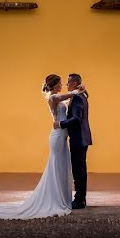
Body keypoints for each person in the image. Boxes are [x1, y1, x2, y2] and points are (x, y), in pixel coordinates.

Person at [0, 73, 87, 219]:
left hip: (62, 136)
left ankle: (61, 197)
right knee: (56, 165)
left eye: (65, 83)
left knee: (61, 165)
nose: (63, 85)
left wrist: (80, 93)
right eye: (61, 83)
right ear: (55, 86)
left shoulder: (60, 98)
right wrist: (78, 90)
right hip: (57, 136)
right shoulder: (53, 98)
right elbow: (69, 96)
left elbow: (71, 103)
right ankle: (54, 198)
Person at [53, 73, 92, 209]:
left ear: (74, 84)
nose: (66, 85)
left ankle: (79, 200)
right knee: (80, 170)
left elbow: (76, 119)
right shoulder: (81, 96)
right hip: (81, 138)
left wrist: (61, 124)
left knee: (78, 171)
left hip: (79, 139)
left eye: (68, 82)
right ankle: (81, 198)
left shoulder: (77, 99)